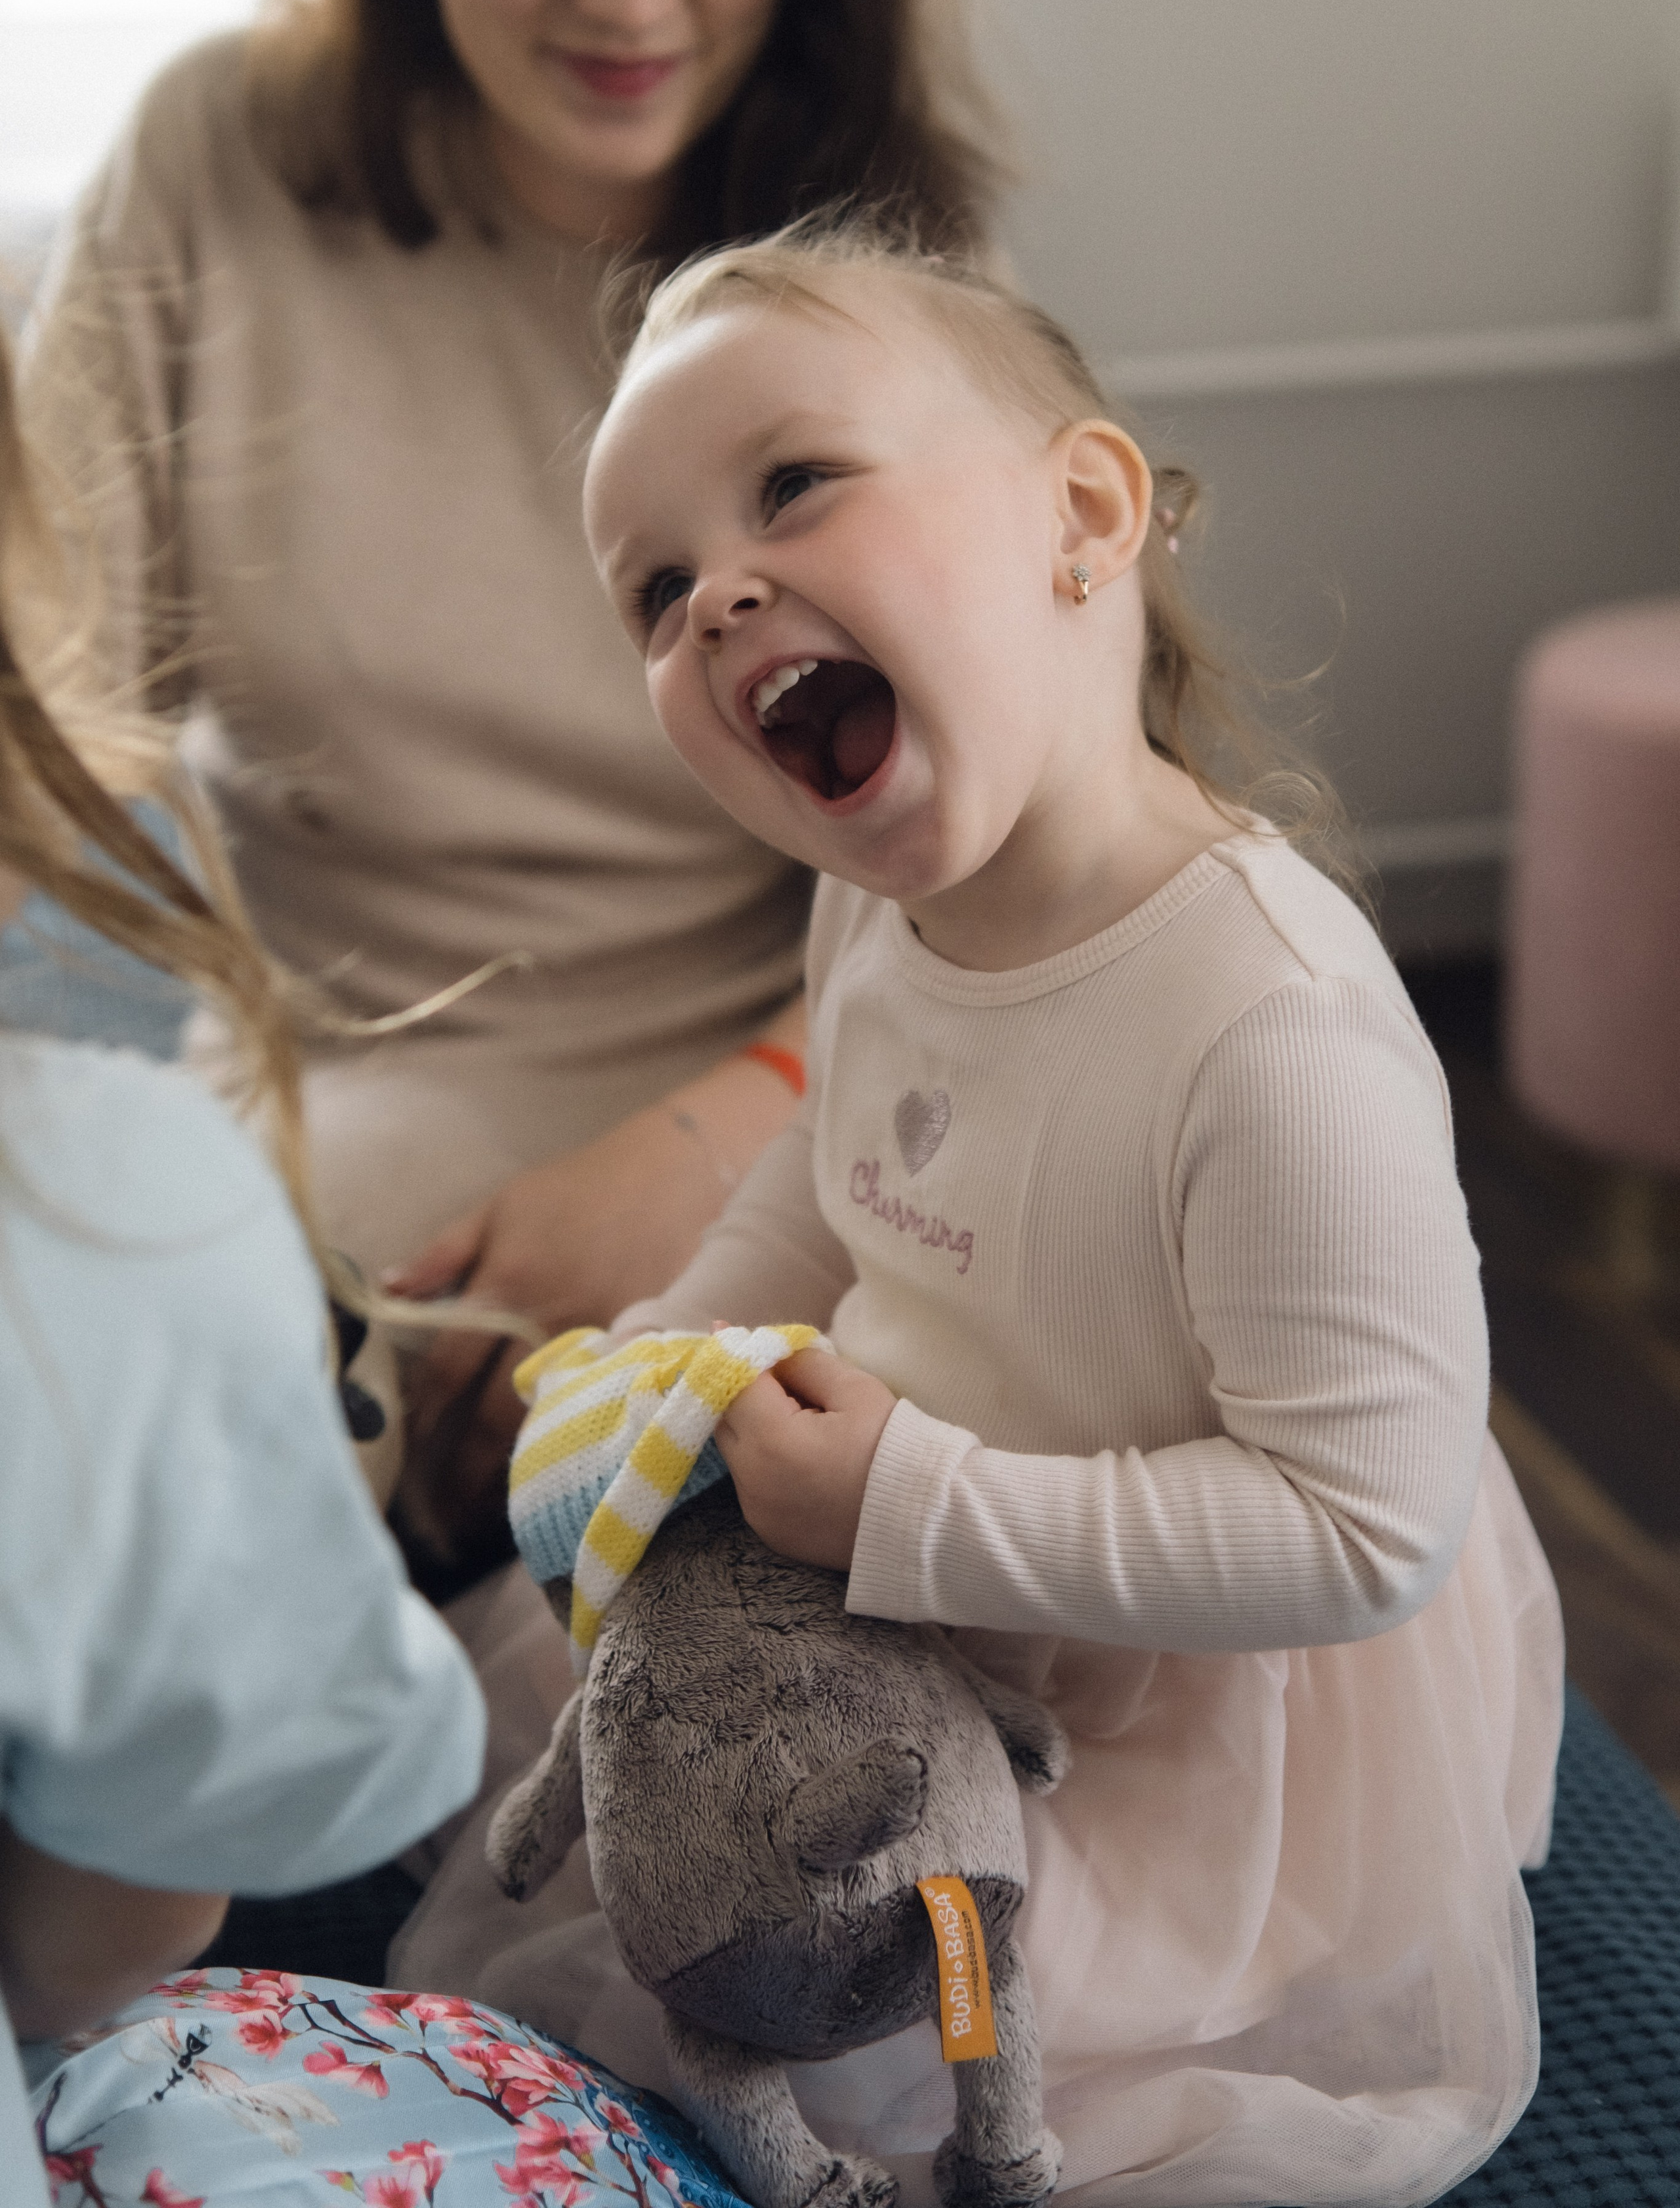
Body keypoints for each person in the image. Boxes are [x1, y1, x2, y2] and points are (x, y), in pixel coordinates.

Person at [394, 223, 1566, 2208]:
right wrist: (671, 1345)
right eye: (658, 591)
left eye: (793, 484)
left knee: (901, 2055)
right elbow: (827, 1172)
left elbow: (1361, 1532)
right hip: (900, 1540)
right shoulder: (873, 897)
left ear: (1082, 516)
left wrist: (915, 1509)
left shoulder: (1269, 1031)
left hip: (1181, 1654)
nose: (720, 594)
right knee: (653, 1839)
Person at [20, 0, 999, 1531]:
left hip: (843, 1088)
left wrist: (738, 1135)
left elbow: (1034, 848)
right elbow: (44, 712)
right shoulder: (210, 165)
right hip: (368, 1100)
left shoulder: (889, 257)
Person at [0, 339, 747, 2208]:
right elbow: (114, 1924)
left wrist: (724, 1132)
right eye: (654, 591)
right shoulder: (110, 1213)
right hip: (354, 1079)